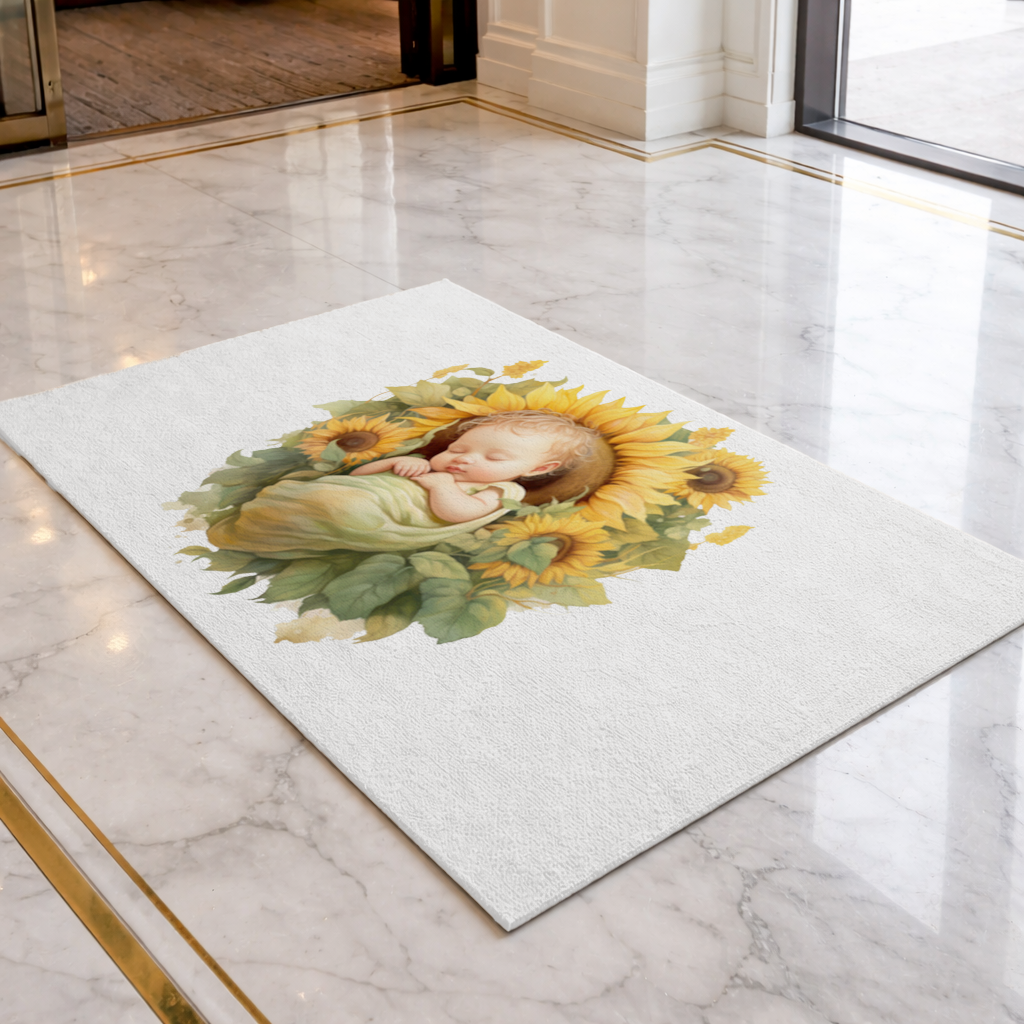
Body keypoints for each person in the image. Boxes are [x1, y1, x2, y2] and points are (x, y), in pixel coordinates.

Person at [206, 410, 599, 558]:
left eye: (494, 458)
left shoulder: (503, 491)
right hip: (360, 495)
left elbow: (457, 513)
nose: (463, 459)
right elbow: (356, 478)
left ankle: (260, 529)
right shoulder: (426, 465)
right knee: (316, 494)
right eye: (459, 449)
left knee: (344, 509)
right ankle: (269, 517)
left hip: (378, 515)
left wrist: (440, 485)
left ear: (538, 469)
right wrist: (395, 463)